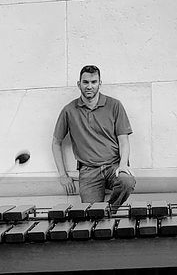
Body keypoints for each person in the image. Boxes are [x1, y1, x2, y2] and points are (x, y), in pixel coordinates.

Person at [51, 65, 136, 212]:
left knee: (127, 181)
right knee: (91, 214)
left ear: (99, 83)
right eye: (85, 82)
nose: (89, 86)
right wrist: (63, 175)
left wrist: (123, 165)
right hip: (88, 171)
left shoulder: (114, 105)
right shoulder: (69, 110)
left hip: (113, 166)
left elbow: (123, 140)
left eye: (93, 82)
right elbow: (56, 143)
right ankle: (101, 213)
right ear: (79, 84)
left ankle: (110, 210)